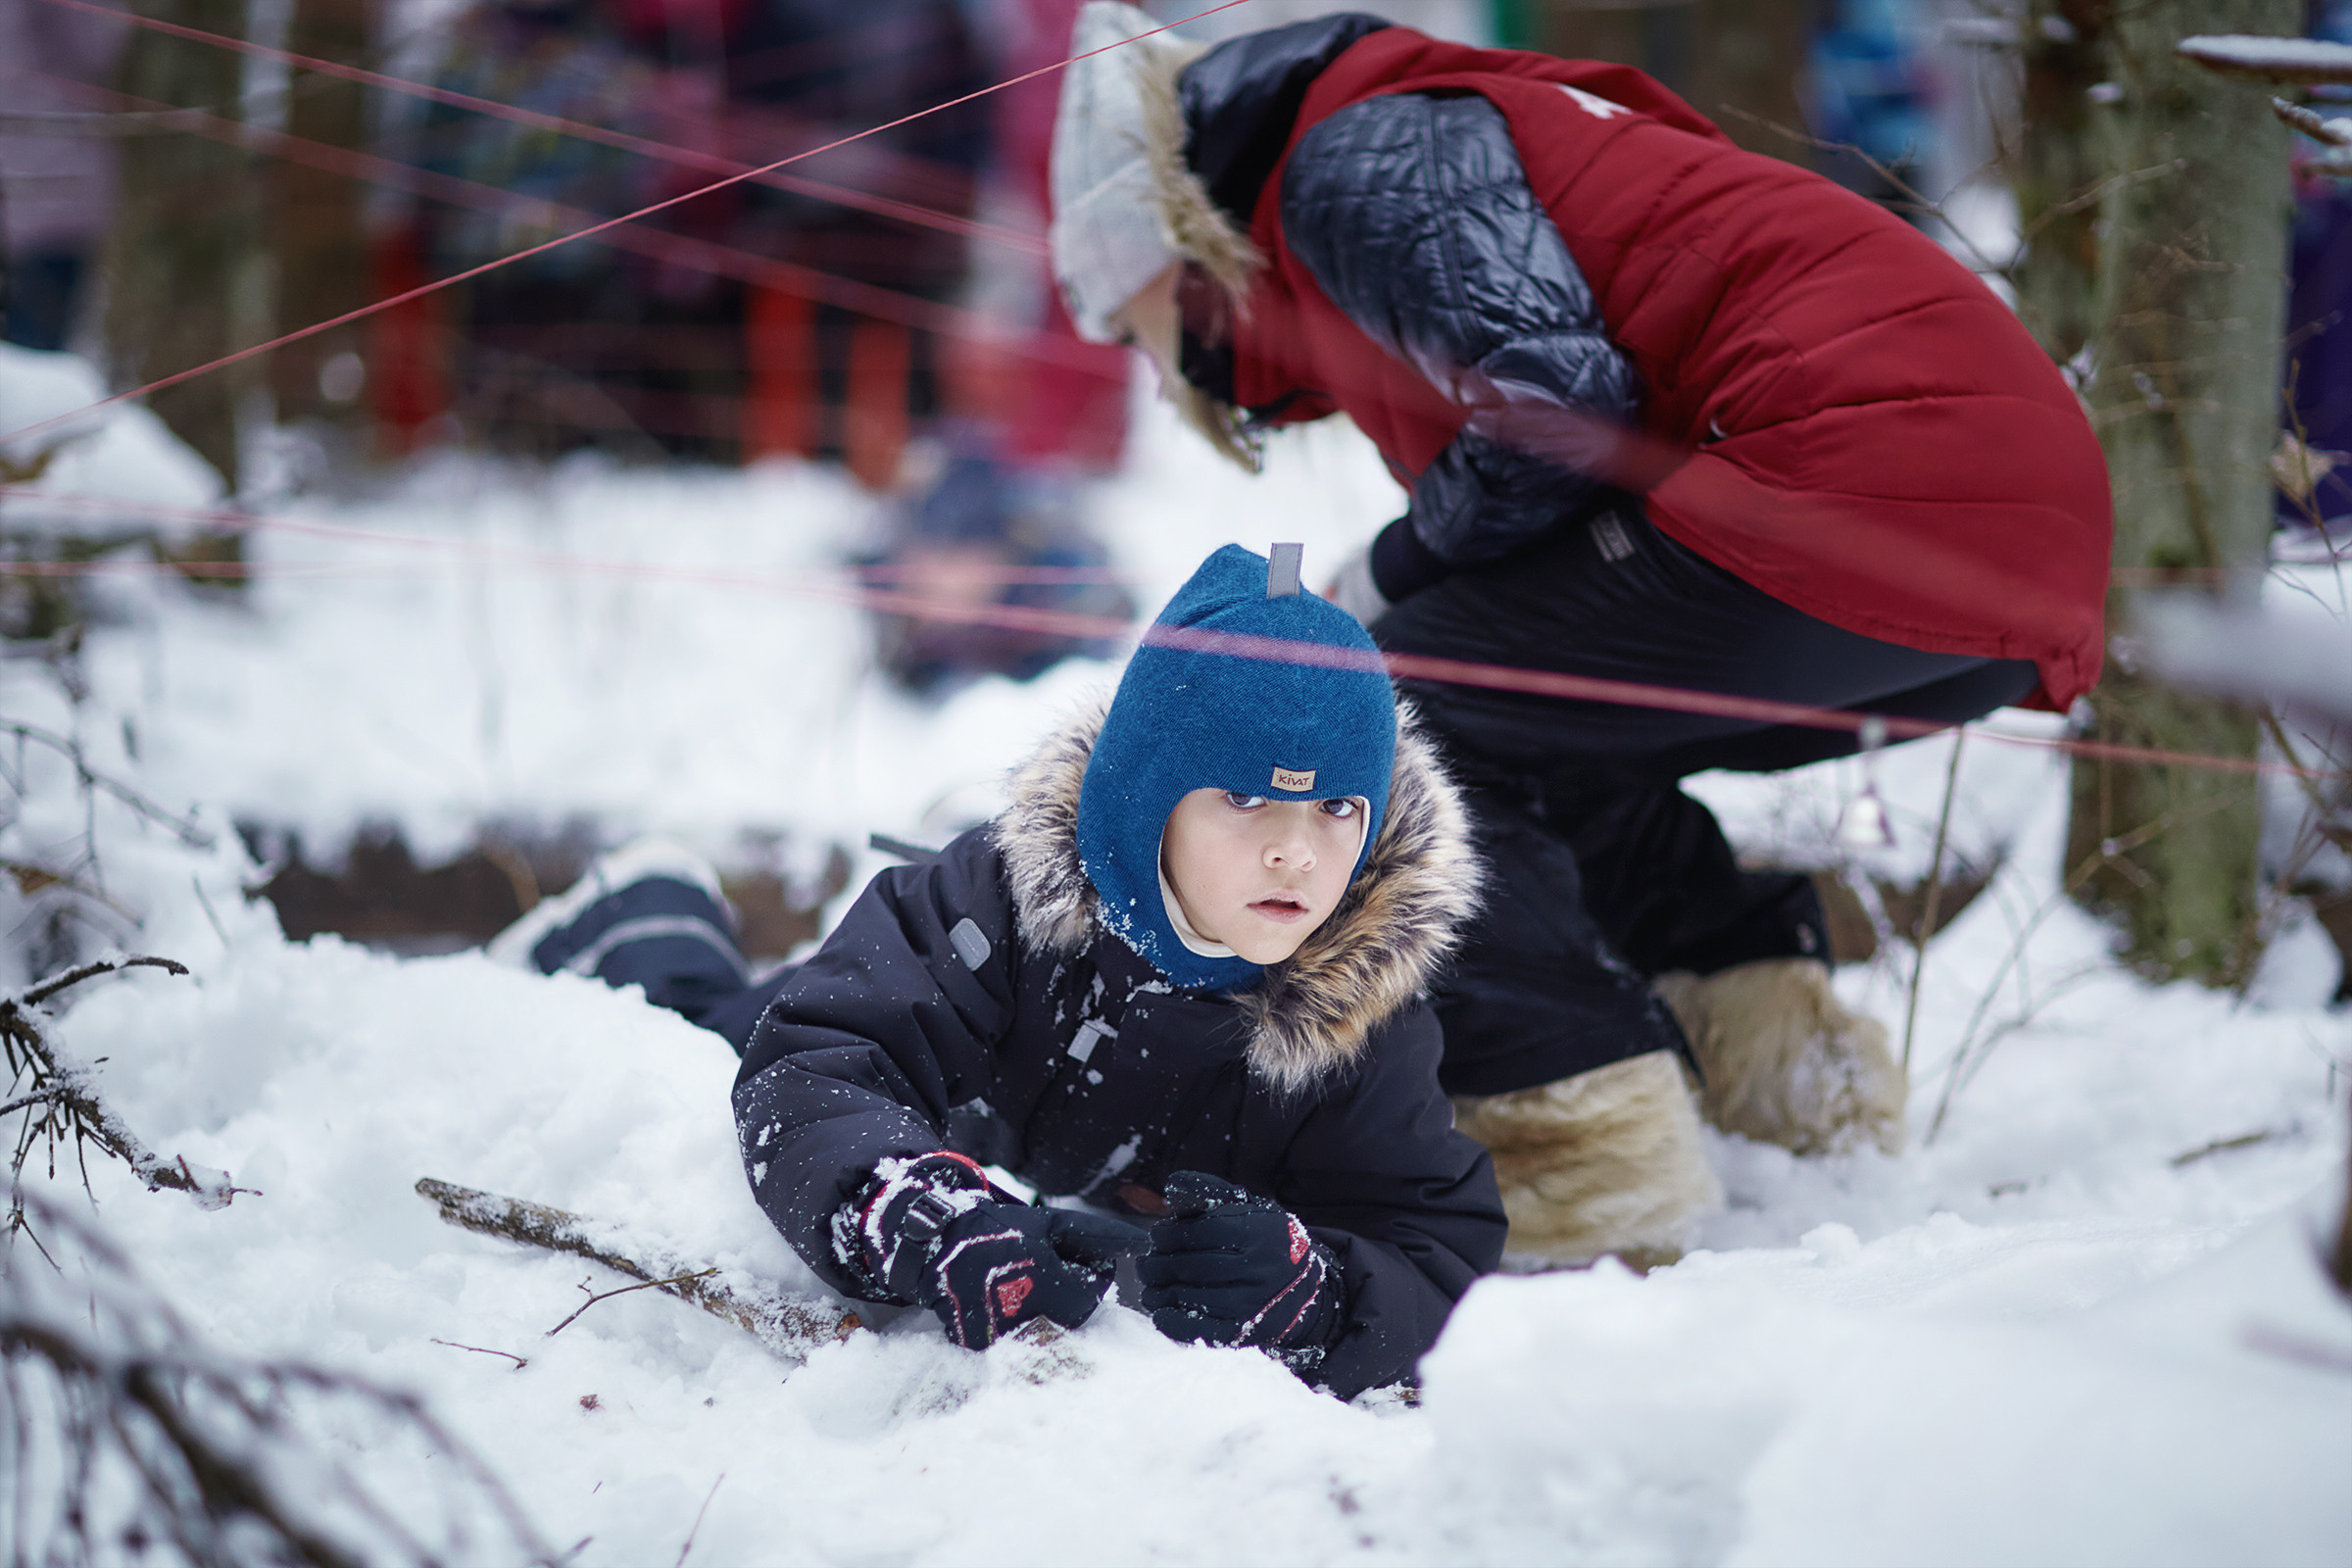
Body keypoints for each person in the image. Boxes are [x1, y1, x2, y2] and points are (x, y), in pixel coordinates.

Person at [1047, 7, 2112, 1262]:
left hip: (1856, 484)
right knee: (1544, 722)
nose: (1156, 377)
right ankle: (1783, 1081)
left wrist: (1383, 579)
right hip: (2009, 534)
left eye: (1133, 333)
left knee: (1394, 707)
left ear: (1169, 244)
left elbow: (1551, 400)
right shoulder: (1417, 132)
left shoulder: (1348, 157)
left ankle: (1578, 1153)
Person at [494, 544, 1505, 1396]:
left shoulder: (1360, 1008)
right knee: (690, 1029)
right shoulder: (994, 898)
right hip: (913, 1090)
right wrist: (917, 1209)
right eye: (1246, 800)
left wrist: (1323, 1294)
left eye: (1336, 810)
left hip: (1070, 1174)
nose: (1297, 851)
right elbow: (815, 1063)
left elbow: (1434, 1242)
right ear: (1149, 798)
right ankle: (644, 903)